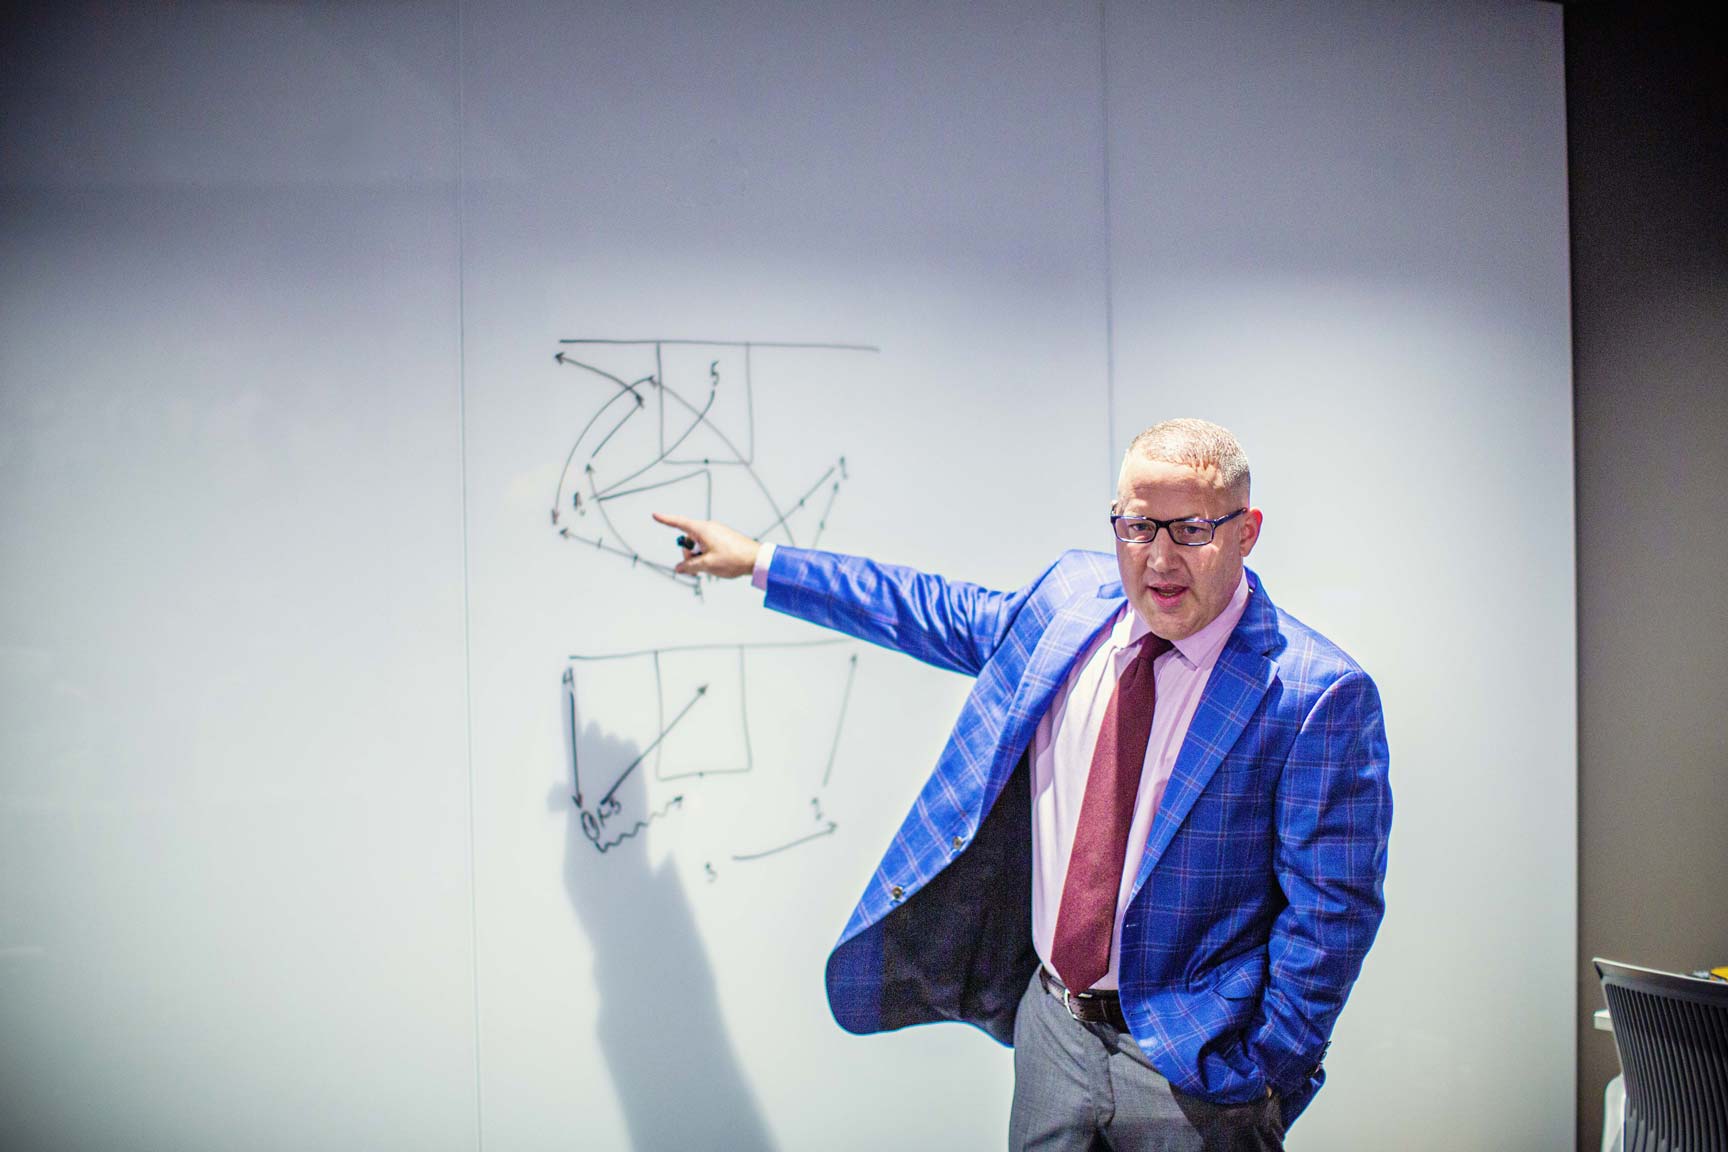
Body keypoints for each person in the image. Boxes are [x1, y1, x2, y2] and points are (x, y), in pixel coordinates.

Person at [653, 419, 1391, 1151]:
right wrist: (761, 562)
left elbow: (1332, 915)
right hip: (1051, 1033)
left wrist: (1264, 1071)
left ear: (1246, 531)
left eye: (1191, 530)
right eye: (1138, 527)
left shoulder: (1313, 694)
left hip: (1196, 1073)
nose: (1159, 558)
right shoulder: (1070, 605)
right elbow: (928, 609)